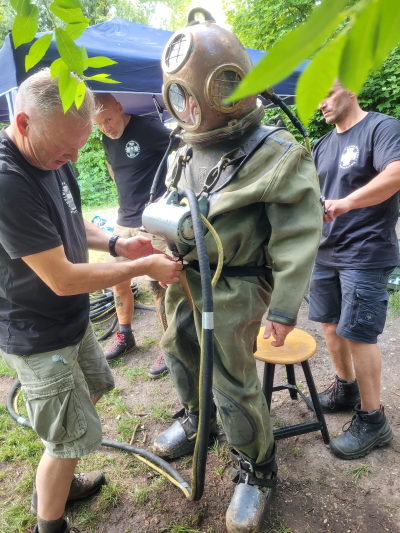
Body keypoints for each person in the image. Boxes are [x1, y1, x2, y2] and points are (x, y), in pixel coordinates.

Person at [147, 10, 322, 533]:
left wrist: (284, 310)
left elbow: (298, 238)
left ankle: (256, 467)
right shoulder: (185, 150)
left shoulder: (277, 153)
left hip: (237, 285)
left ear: (231, 83)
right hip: (185, 277)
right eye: (180, 97)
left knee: (231, 377)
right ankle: (196, 421)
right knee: (178, 348)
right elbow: (173, 204)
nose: (190, 106)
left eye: (199, 92)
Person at [0, 69, 182, 533]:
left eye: (80, 146)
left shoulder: (53, 153)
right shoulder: (7, 181)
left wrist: (117, 244)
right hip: (38, 333)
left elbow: (69, 217)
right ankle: (51, 524)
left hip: (71, 319)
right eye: (66, 148)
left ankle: (59, 482)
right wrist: (142, 268)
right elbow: (62, 279)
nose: (74, 158)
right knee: (67, 439)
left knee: (92, 393)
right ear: (23, 123)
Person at [308, 79, 400, 460]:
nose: (321, 103)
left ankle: (373, 420)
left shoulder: (381, 127)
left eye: (328, 93)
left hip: (366, 251)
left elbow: (396, 173)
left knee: (359, 333)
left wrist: (346, 203)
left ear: (351, 91)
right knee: (330, 324)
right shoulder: (321, 145)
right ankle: (345, 387)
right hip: (325, 250)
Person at [94, 94, 173, 378]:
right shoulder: (106, 139)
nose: (106, 128)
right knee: (117, 280)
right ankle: (125, 336)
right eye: (99, 124)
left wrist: (167, 195)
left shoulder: (149, 128)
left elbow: (183, 156)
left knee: (160, 284)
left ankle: (170, 347)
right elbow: (115, 172)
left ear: (120, 108)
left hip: (153, 220)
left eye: (108, 119)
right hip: (124, 220)